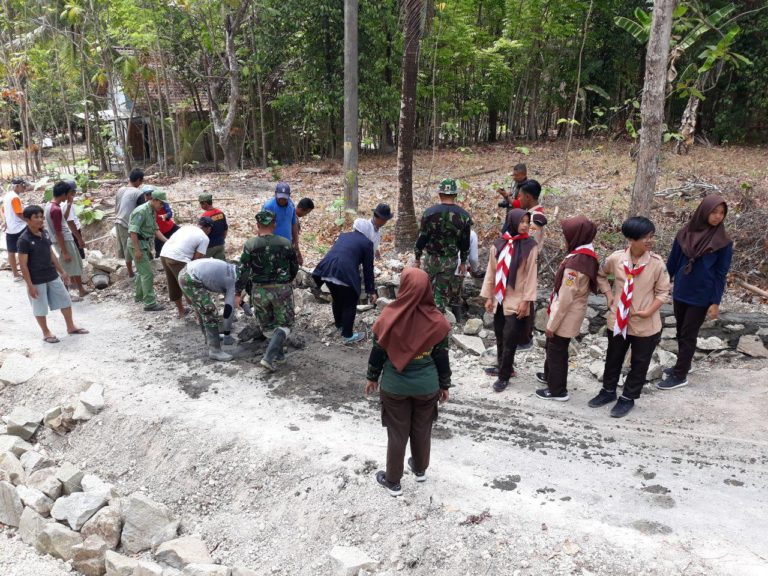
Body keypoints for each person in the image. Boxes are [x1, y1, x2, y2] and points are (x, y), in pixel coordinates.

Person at [365, 267, 451, 497]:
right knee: (422, 428)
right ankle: (420, 469)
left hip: (395, 387)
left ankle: (393, 481)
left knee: (397, 432)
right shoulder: (437, 321)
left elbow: (378, 351)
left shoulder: (388, 317)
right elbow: (442, 357)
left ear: (403, 287)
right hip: (427, 386)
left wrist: (372, 377)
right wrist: (445, 385)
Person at [589, 216, 670, 418]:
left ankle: (628, 398)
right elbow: (601, 275)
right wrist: (608, 294)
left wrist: (650, 310)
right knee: (613, 357)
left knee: (640, 362)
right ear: (631, 239)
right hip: (618, 319)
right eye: (645, 237)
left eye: (652, 236)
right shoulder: (616, 259)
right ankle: (607, 391)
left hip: (645, 323)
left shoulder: (656, 264)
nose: (650, 241)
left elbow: (663, 292)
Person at [658, 195, 733, 390]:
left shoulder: (723, 241)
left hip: (702, 295)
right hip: (681, 290)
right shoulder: (685, 233)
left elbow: (720, 273)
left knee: (689, 333)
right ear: (703, 211)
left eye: (722, 213)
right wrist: (662, 285)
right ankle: (684, 364)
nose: (718, 217)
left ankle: (680, 375)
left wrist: (715, 302)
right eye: (714, 212)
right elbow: (672, 262)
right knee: (681, 331)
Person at [535, 216, 599, 401]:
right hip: (570, 312)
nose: (564, 238)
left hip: (566, 315)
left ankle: (557, 390)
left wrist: (552, 324)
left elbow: (565, 298)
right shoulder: (584, 255)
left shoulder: (576, 264)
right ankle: (549, 376)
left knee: (557, 350)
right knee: (553, 348)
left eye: (566, 234)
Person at [480, 209, 538, 392]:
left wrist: (526, 301)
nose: (525, 225)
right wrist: (489, 297)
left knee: (510, 337)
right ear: (512, 222)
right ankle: (503, 366)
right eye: (521, 221)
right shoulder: (499, 245)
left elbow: (531, 276)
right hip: (499, 298)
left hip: (516, 299)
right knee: (498, 334)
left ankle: (503, 376)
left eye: (527, 222)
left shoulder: (530, 246)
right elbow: (491, 272)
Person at [236, 209, 299, 371]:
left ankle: (279, 355)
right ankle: (269, 357)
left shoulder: (250, 245)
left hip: (259, 291)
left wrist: (238, 292)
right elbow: (294, 267)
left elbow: (243, 271)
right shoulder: (285, 243)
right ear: (274, 224)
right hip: (281, 289)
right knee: (285, 324)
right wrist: (287, 281)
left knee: (268, 325)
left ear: (257, 225)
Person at [17, 205, 88, 343]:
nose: (40, 219)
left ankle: (71, 326)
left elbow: (50, 254)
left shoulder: (44, 233)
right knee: (40, 307)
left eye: (41, 216)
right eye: (36, 217)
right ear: (27, 220)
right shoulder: (23, 240)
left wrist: (62, 271)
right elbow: (23, 265)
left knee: (65, 300)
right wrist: (30, 285)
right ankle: (46, 332)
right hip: (36, 279)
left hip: (52, 275)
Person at [312, 219, 378, 343]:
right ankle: (348, 335)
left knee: (337, 298)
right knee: (350, 301)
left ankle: (339, 324)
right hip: (344, 272)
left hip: (326, 271)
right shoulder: (367, 243)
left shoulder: (344, 236)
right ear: (368, 231)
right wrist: (371, 290)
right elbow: (368, 269)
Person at [414, 178, 472, 316]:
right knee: (441, 293)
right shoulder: (464, 216)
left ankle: (421, 318)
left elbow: (422, 237)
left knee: (424, 289)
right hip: (450, 260)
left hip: (431, 258)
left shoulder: (429, 213)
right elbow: (465, 242)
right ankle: (437, 321)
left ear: (440, 194)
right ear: (455, 195)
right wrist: (463, 262)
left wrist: (417, 257)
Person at [179, 258, 238, 362]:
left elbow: (235, 299)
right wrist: (227, 334)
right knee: (209, 311)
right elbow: (229, 310)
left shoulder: (233, 269)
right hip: (189, 279)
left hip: (189, 272)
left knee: (202, 307)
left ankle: (210, 338)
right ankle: (215, 350)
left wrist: (245, 307)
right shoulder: (232, 282)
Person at [159, 218, 212, 318]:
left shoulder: (186, 227)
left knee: (173, 283)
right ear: (209, 229)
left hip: (164, 253)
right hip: (178, 258)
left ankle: (181, 311)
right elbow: (195, 261)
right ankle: (198, 317)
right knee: (189, 286)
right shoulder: (204, 238)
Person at [128, 189, 170, 311]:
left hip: (144, 242)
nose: (162, 206)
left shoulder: (152, 211)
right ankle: (150, 303)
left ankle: (139, 296)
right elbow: (133, 231)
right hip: (137, 243)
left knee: (142, 272)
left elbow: (155, 230)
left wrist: (168, 241)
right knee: (147, 274)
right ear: (154, 200)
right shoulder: (141, 211)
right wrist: (137, 250)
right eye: (161, 203)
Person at [45, 181, 88, 297]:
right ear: (64, 194)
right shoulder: (56, 209)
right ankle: (71, 292)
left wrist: (68, 205)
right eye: (69, 193)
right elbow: (59, 231)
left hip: (61, 241)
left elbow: (61, 220)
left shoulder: (50, 206)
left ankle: (79, 290)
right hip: (64, 241)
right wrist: (64, 252)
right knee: (70, 267)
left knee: (73, 265)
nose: (70, 196)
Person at [114, 169, 145, 277]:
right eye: (141, 181)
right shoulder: (138, 193)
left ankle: (131, 271)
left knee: (126, 247)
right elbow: (142, 210)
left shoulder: (120, 189)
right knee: (129, 248)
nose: (141, 184)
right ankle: (131, 273)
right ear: (138, 180)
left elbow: (117, 205)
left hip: (118, 220)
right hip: (127, 223)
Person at [263, 182, 303, 264]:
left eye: (284, 198)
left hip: (287, 244)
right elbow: (263, 228)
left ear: (289, 196)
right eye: (280, 198)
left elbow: (293, 225)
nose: (282, 201)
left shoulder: (291, 206)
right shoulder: (268, 207)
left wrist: (296, 246)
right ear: (275, 194)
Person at [140, 185, 179, 259]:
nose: (149, 196)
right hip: (158, 232)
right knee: (159, 252)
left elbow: (169, 213)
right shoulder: (144, 208)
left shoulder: (162, 202)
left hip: (170, 228)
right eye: (147, 194)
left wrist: (165, 216)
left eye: (150, 194)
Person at [2, 177, 28, 281]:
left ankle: (15, 274)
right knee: (25, 250)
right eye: (23, 185)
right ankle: (28, 271)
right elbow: (18, 213)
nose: (24, 188)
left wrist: (5, 221)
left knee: (11, 252)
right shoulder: (15, 197)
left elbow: (2, 210)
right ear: (17, 186)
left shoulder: (7, 196)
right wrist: (28, 220)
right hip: (19, 227)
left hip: (10, 229)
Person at [198, 193, 228, 260]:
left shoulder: (205, 216)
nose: (200, 206)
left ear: (205, 203)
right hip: (220, 244)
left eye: (201, 204)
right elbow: (225, 229)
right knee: (221, 265)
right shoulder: (220, 213)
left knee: (201, 264)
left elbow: (201, 233)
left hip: (209, 246)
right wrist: (222, 240)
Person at [62, 180, 86, 259]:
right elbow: (70, 222)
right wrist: (79, 239)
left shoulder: (62, 203)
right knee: (79, 255)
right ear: (70, 192)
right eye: (74, 191)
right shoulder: (67, 204)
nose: (75, 194)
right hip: (73, 233)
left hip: (69, 233)